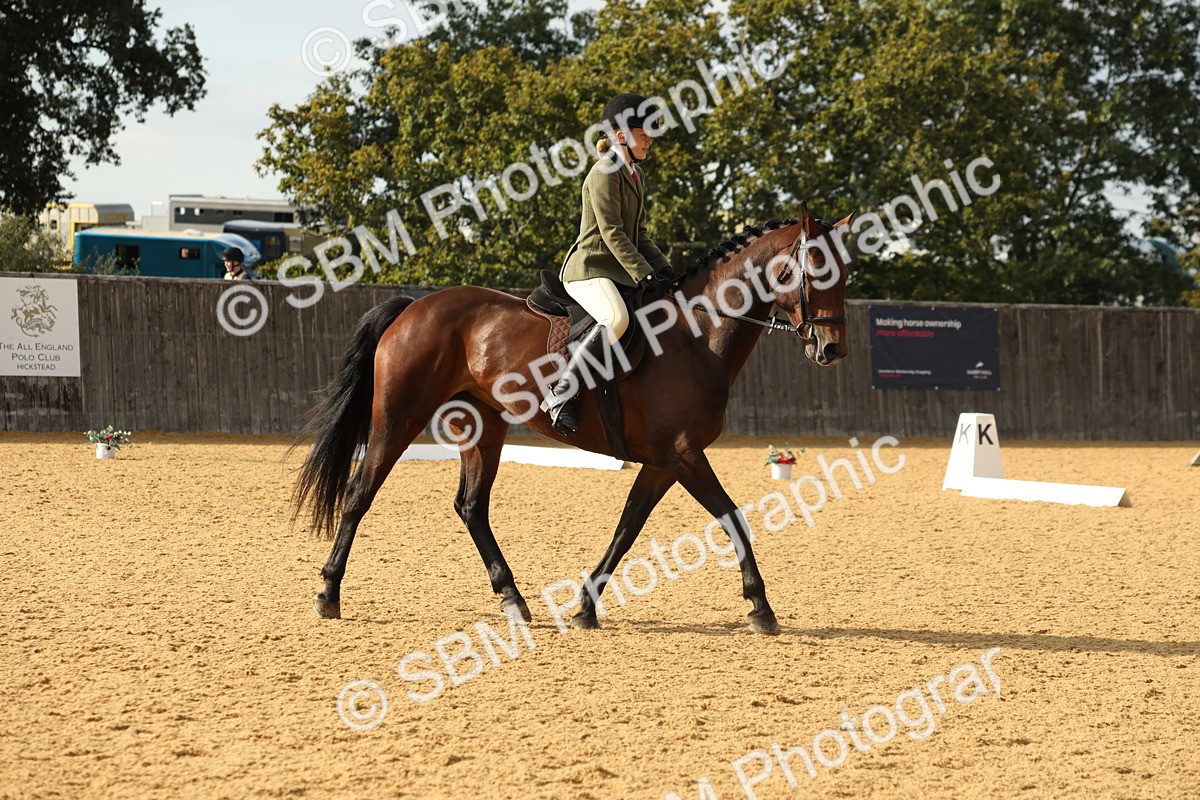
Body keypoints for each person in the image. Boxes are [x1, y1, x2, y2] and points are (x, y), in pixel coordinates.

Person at [540, 93, 675, 436]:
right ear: (620, 136)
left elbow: (639, 235)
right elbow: (612, 233)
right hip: (590, 269)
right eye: (644, 132)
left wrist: (667, 271)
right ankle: (561, 394)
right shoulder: (604, 172)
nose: (650, 138)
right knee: (616, 319)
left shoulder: (634, 175)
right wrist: (644, 273)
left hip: (617, 271)